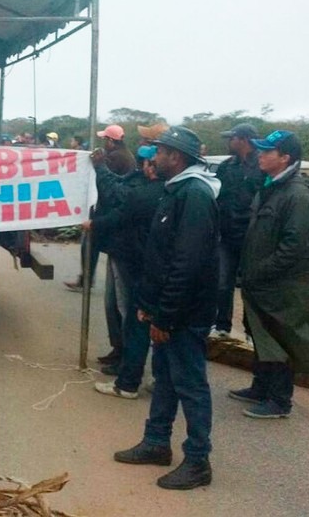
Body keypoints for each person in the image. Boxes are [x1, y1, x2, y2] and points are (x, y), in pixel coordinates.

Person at [113, 125, 220, 490]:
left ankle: (198, 460)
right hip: (167, 308)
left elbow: (186, 264)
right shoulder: (176, 190)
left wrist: (166, 316)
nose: (153, 156)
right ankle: (157, 442)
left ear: (176, 156)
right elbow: (160, 257)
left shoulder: (195, 195)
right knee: (165, 379)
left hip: (184, 313)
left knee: (189, 384)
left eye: (159, 151)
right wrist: (147, 305)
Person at [233, 130, 309, 418]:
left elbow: (292, 248)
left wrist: (260, 272)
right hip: (263, 281)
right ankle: (261, 387)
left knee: (280, 338)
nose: (260, 155)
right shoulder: (273, 187)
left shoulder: (297, 195)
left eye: (267, 152)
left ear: (285, 158)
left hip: (282, 285)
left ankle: (279, 400)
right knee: (260, 332)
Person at [92, 145, 165, 397]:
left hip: (138, 261)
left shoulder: (148, 192)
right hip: (146, 260)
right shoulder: (167, 189)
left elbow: (120, 203)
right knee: (137, 316)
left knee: (137, 318)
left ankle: (129, 380)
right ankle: (140, 372)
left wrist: (93, 224)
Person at [64, 124, 136, 293]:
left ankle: (86, 280)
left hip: (111, 207)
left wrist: (98, 165)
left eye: (105, 139)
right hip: (114, 205)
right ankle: (86, 279)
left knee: (90, 243)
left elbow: (104, 180)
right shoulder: (125, 155)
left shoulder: (116, 158)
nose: (103, 142)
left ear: (111, 141)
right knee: (92, 244)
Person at [212, 123, 261, 337]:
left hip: (251, 237)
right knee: (223, 283)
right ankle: (222, 326)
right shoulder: (226, 167)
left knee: (251, 287)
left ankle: (251, 331)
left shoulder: (261, 165)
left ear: (243, 139)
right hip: (227, 235)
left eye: (232, 138)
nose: (228, 142)